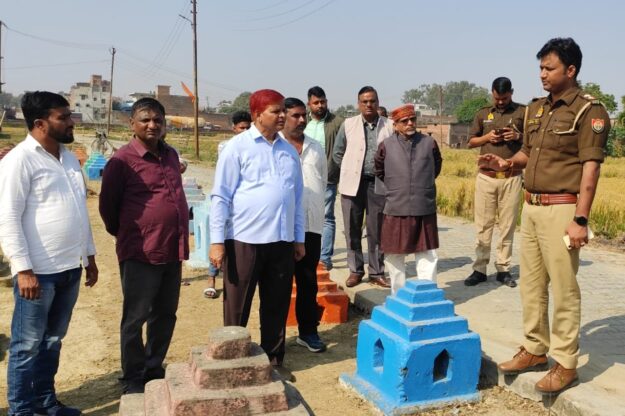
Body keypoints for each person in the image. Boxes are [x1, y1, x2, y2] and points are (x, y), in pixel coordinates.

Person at [481, 38, 610, 394]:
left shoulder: (589, 111)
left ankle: (566, 362)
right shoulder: (536, 109)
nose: (542, 75)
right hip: (532, 207)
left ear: (570, 70)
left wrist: (580, 219)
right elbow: (527, 151)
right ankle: (535, 349)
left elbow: (591, 169)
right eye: (540, 68)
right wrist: (507, 163)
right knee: (532, 285)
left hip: (563, 208)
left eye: (549, 68)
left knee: (564, 288)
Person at [0, 91, 98, 416]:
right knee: (26, 346)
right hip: (37, 273)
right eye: (64, 117)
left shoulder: (68, 157)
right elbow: (8, 218)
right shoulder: (19, 160)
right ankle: (21, 410)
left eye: (69, 115)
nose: (71, 122)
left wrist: (90, 255)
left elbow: (79, 210)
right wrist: (22, 268)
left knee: (53, 341)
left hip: (70, 268)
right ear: (41, 123)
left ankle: (45, 403)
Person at [209, 89, 305, 381]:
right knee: (237, 305)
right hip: (244, 240)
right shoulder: (236, 148)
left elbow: (296, 198)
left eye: (282, 111)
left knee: (276, 304)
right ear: (256, 115)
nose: (282, 116)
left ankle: (274, 361)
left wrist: (298, 238)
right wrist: (216, 241)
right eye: (275, 111)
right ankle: (233, 362)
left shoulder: (288, 150)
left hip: (281, 241)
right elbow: (221, 196)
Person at [99, 97, 189, 394]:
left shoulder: (171, 155)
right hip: (140, 252)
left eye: (158, 120)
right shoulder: (122, 161)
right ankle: (133, 375)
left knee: (165, 313)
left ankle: (153, 366)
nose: (152, 125)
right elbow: (108, 210)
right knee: (135, 317)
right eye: (145, 120)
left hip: (172, 250)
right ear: (132, 124)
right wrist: (131, 234)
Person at [374, 104, 442, 295]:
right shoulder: (386, 146)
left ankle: (427, 295)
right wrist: (399, 186)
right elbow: (379, 170)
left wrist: (421, 184)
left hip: (423, 205)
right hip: (396, 206)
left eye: (413, 119)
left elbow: (436, 167)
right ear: (395, 125)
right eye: (405, 121)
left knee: (427, 253)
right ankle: (399, 295)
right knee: (394, 254)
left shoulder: (429, 143)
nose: (410, 123)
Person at [464, 77, 526, 288]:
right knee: (483, 225)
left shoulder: (522, 112)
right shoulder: (482, 113)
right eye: (497, 98)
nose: (501, 102)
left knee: (507, 226)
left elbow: (534, 143)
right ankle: (479, 269)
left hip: (511, 177)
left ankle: (503, 269)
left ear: (512, 93)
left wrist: (517, 136)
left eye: (505, 98)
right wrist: (488, 137)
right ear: (492, 93)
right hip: (486, 178)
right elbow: (471, 142)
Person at [333, 86, 394, 288]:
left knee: (377, 229)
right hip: (353, 185)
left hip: (378, 184)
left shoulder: (390, 126)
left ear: (378, 102)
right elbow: (338, 152)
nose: (369, 105)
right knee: (352, 229)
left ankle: (377, 272)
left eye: (372, 101)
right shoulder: (348, 124)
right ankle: (355, 270)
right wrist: (351, 169)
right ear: (358, 104)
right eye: (364, 101)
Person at [281, 97, 328, 353]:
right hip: (282, 227)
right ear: (283, 117)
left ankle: (308, 332)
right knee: (280, 282)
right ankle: (276, 339)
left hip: (311, 224)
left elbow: (323, 180)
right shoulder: (275, 146)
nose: (301, 120)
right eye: (295, 116)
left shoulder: (316, 147)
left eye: (303, 116)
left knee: (308, 281)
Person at [204, 109, 253, 299]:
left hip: (241, 208)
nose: (245, 131)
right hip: (225, 202)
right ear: (234, 128)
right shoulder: (227, 146)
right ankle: (211, 278)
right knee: (218, 239)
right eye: (242, 128)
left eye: (248, 128)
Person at [304, 86, 343, 271]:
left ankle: (325, 258)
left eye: (323, 101)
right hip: (303, 178)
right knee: (302, 216)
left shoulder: (338, 123)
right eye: (316, 102)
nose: (320, 105)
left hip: (328, 178)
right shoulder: (302, 122)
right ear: (309, 104)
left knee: (327, 216)